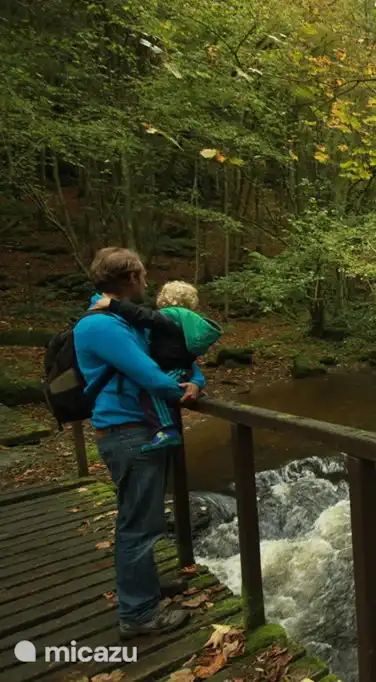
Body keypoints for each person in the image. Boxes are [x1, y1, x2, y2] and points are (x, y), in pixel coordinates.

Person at [75, 247, 205, 639]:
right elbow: (148, 373)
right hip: (128, 432)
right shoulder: (99, 326)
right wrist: (176, 390)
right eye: (143, 276)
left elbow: (175, 356)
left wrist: (195, 381)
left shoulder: (125, 320)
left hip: (141, 430)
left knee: (141, 518)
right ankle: (139, 614)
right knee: (139, 525)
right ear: (130, 277)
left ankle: (142, 588)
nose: (147, 283)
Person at [93, 280, 222, 452]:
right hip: (178, 367)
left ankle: (166, 430)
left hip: (172, 368)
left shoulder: (171, 315)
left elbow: (142, 315)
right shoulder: (186, 320)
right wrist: (196, 380)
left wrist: (113, 304)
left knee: (152, 391)